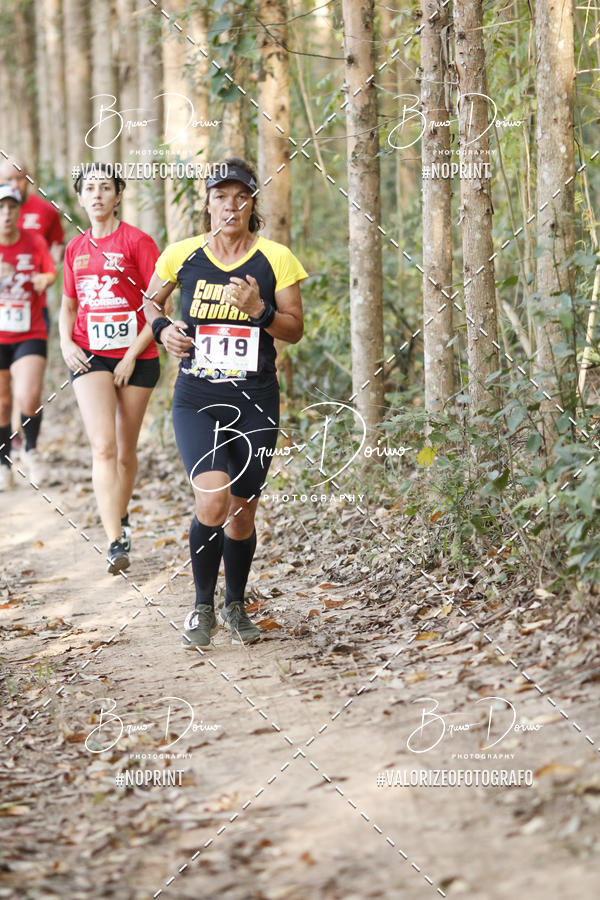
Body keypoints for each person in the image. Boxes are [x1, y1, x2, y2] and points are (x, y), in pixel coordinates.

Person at [144, 157, 307, 649]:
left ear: (252, 203)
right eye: (220, 196)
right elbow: (152, 302)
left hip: (256, 398)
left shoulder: (276, 258)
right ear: (208, 203)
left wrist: (260, 310)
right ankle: (201, 607)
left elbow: (294, 330)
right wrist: (163, 330)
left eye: (240, 196)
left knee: (242, 511)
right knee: (212, 499)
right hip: (197, 397)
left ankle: (235, 604)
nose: (230, 205)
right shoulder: (182, 255)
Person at [59, 165, 160, 574]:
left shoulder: (138, 242)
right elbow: (68, 306)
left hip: (138, 354)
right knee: (103, 447)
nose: (97, 194)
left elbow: (158, 308)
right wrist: (66, 343)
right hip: (89, 354)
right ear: (81, 198)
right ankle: (115, 541)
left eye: (105, 187)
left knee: (124, 451)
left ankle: (123, 514)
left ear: (118, 195)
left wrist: (132, 354)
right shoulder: (74, 249)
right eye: (89, 188)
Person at [0, 185, 56, 489]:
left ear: (20, 211)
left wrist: (42, 279)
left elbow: (50, 271)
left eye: (12, 207)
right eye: (1, 208)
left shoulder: (33, 241)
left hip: (30, 330)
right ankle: (3, 462)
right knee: (2, 403)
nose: (6, 214)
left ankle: (32, 451)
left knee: (28, 395)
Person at [0, 158, 65, 266]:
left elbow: (58, 246)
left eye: (19, 179)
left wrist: (60, 252)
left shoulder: (46, 210)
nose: (14, 185)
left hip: (36, 276)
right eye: (8, 179)